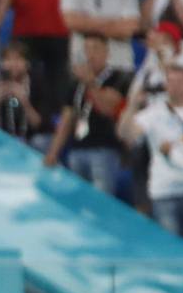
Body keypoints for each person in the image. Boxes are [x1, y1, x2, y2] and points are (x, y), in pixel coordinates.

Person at [43, 31, 130, 194]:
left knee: (101, 201)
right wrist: (53, 152)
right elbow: (67, 118)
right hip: (78, 148)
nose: (91, 54)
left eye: (96, 49)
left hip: (104, 149)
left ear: (107, 52)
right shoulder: (77, 84)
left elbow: (108, 109)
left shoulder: (118, 78)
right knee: (79, 202)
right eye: (87, 49)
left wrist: (90, 82)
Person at [116, 57, 183, 234]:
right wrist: (132, 106)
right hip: (165, 190)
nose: (174, 86)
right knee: (170, 250)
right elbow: (125, 134)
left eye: (180, 81)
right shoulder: (154, 113)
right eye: (170, 81)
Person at [0, 44, 44, 140]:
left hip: (32, 138)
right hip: (5, 140)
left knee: (39, 141)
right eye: (8, 60)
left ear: (27, 63)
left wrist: (24, 101)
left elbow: (38, 124)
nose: (13, 64)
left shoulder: (37, 84)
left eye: (18, 59)